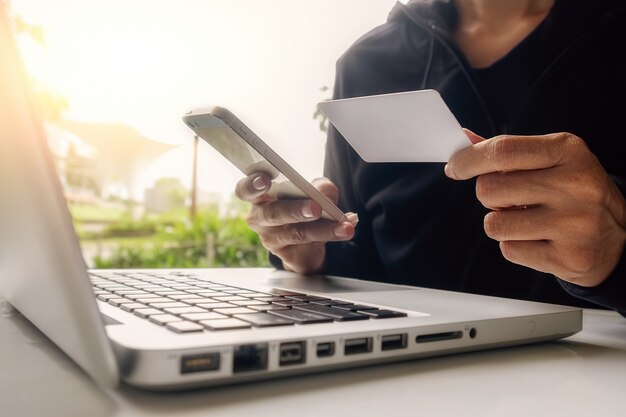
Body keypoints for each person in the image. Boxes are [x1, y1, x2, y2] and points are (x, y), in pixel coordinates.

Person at [235, 0, 626, 316]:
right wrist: (313, 254)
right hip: (401, 377)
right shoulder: (366, 62)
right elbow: (360, 255)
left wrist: (616, 256)